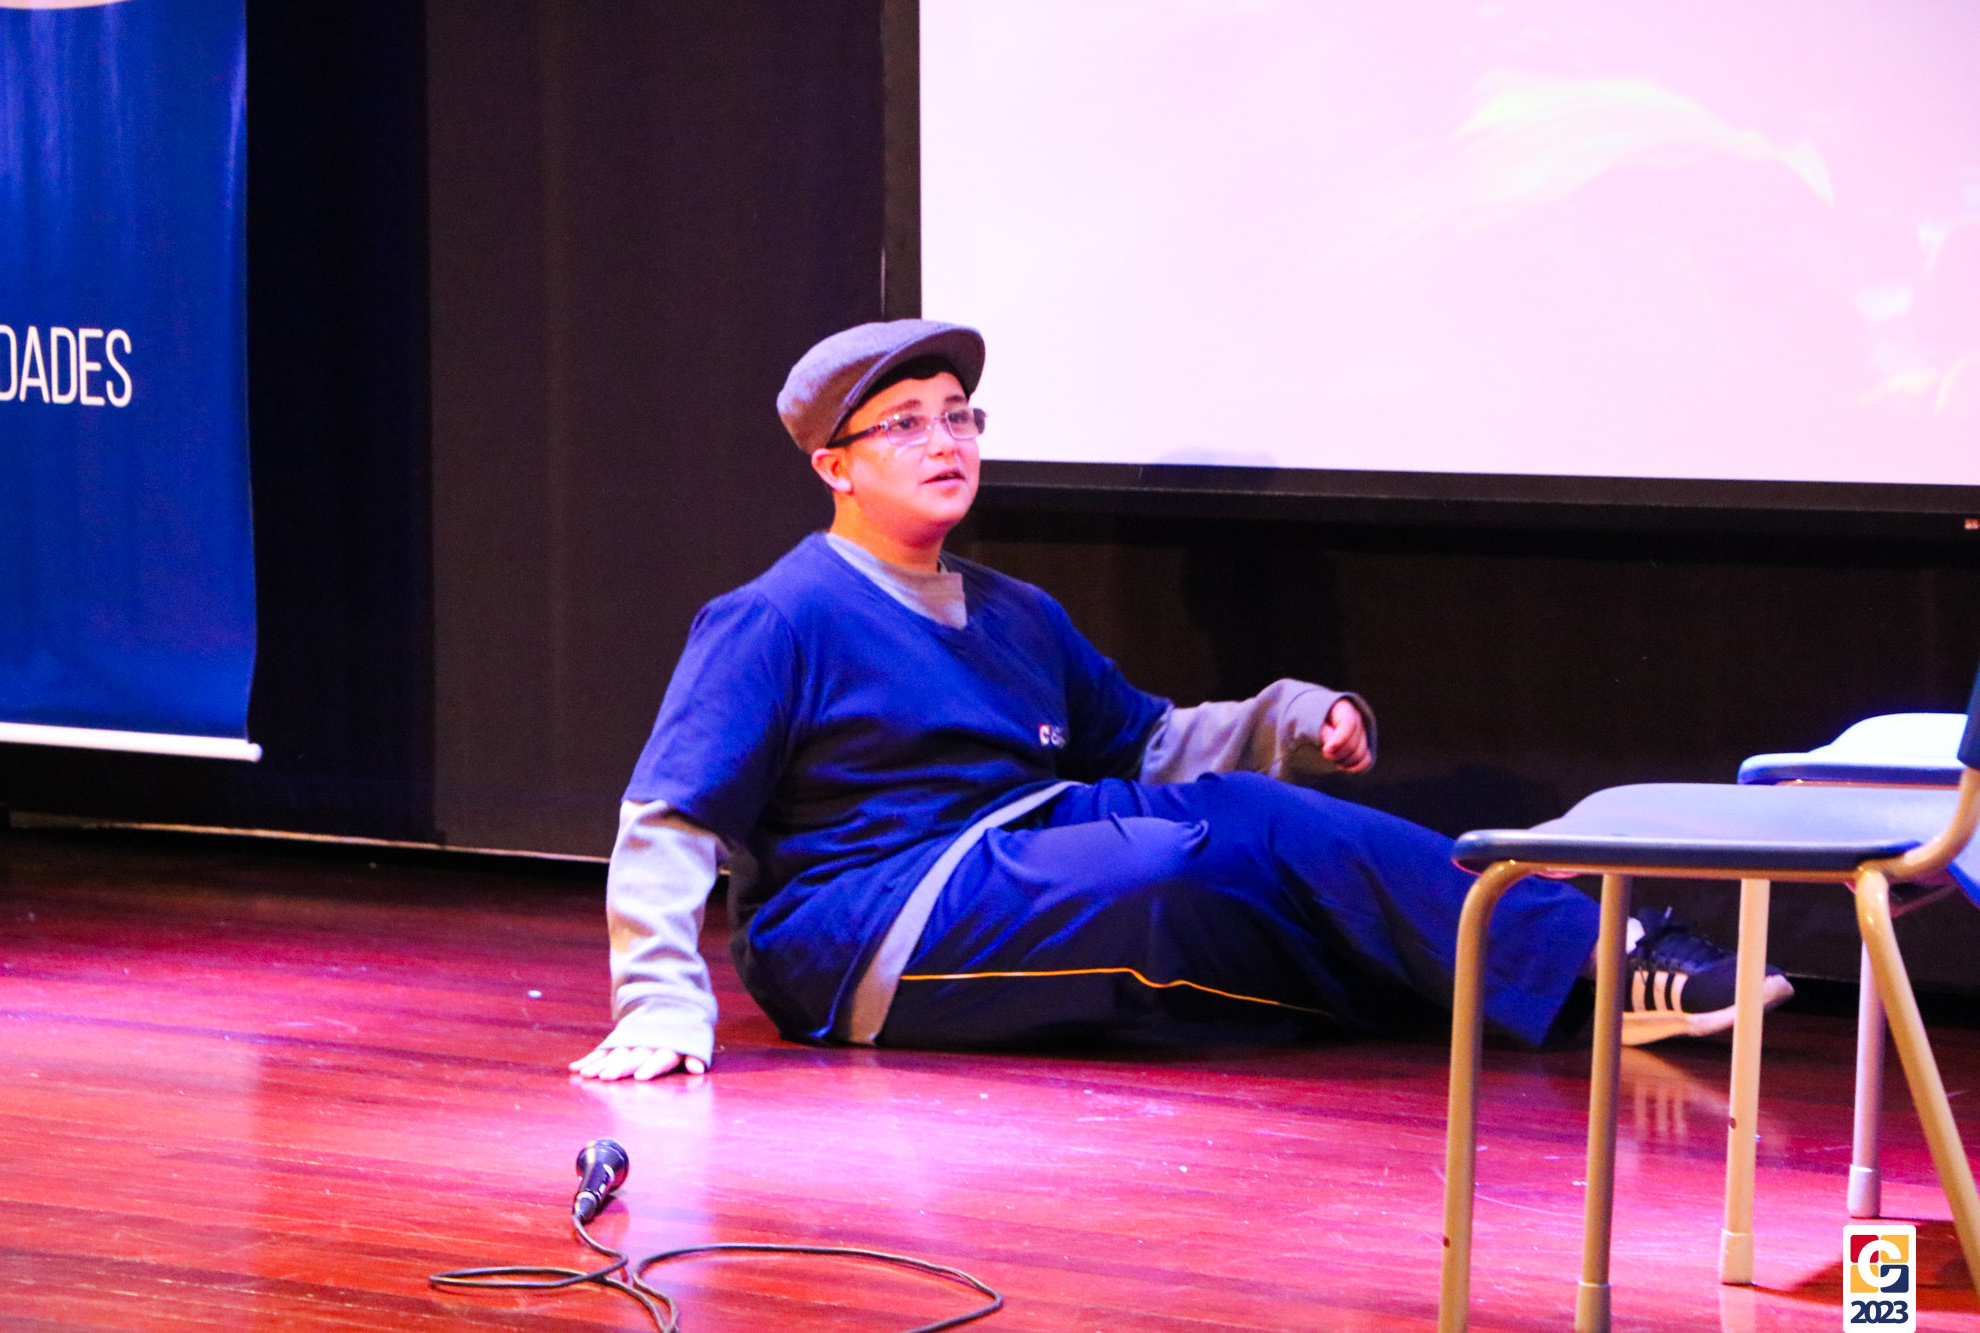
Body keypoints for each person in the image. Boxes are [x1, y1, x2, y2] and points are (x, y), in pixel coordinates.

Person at [570, 319, 1788, 1082]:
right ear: (834, 465)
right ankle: (1569, 969)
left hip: (1025, 853)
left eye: (958, 416)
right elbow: (669, 816)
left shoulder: (1014, 610)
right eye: (906, 425)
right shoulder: (777, 615)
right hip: (868, 923)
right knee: (1170, 867)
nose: (946, 441)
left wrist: (1290, 718)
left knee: (1260, 830)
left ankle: (1600, 963)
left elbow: (1147, 740)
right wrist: (662, 1003)